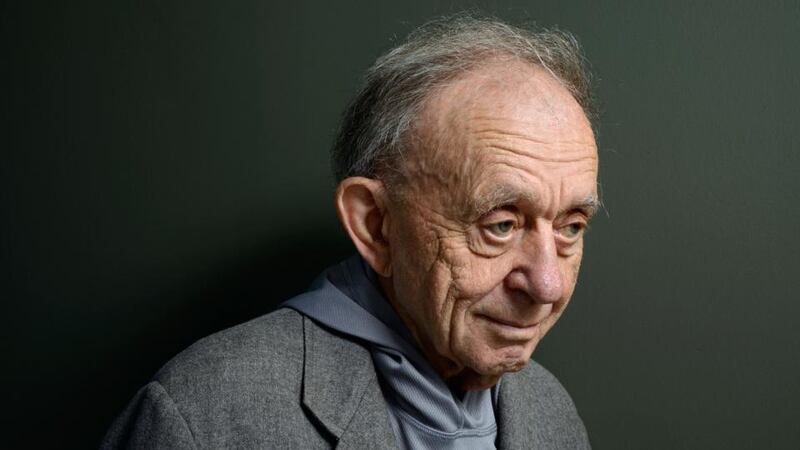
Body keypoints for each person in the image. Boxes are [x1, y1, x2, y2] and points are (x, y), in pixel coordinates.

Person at [102, 14, 598, 450]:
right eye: (500, 225)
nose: (547, 286)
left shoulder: (549, 408)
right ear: (375, 226)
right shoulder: (203, 416)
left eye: (570, 227)